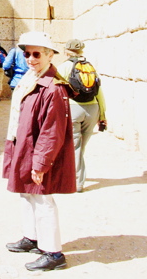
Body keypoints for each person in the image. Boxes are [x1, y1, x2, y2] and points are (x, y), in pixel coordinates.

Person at [3, 31, 76, 272]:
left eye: (36, 54)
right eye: (27, 54)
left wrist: (41, 162)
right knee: (26, 193)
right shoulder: (31, 78)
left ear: (49, 56)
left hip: (37, 150)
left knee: (43, 198)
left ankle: (53, 252)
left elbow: (51, 130)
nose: (31, 59)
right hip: (23, 144)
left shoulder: (53, 88)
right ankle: (32, 237)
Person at [57, 39, 107, 193]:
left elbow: (57, 91)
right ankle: (75, 173)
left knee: (75, 147)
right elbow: (99, 92)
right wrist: (102, 115)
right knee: (80, 147)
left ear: (66, 51)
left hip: (74, 109)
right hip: (92, 109)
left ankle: (77, 183)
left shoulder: (64, 67)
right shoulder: (90, 68)